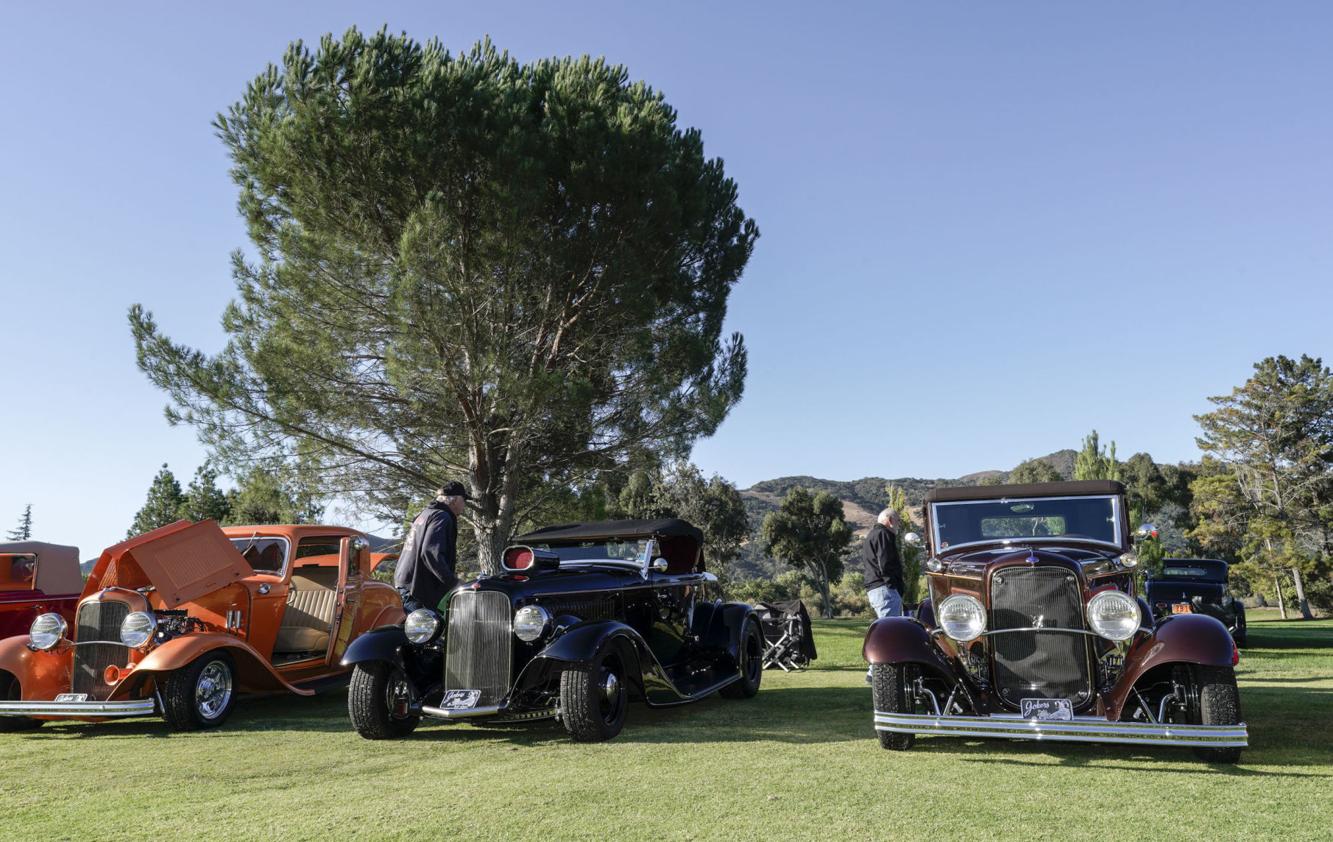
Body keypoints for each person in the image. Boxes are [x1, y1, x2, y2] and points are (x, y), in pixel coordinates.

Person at [394, 481, 470, 613]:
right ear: (456, 500)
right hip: (417, 590)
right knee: (425, 632)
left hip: (406, 584)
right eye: (464, 501)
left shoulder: (425, 514)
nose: (464, 506)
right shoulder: (442, 516)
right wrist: (453, 582)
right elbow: (430, 552)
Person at [862, 508, 905, 620]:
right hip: (885, 589)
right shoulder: (883, 534)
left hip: (877, 588)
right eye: (898, 520)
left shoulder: (872, 535)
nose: (899, 524)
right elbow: (885, 562)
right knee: (891, 631)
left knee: (887, 627)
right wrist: (892, 586)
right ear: (890, 520)